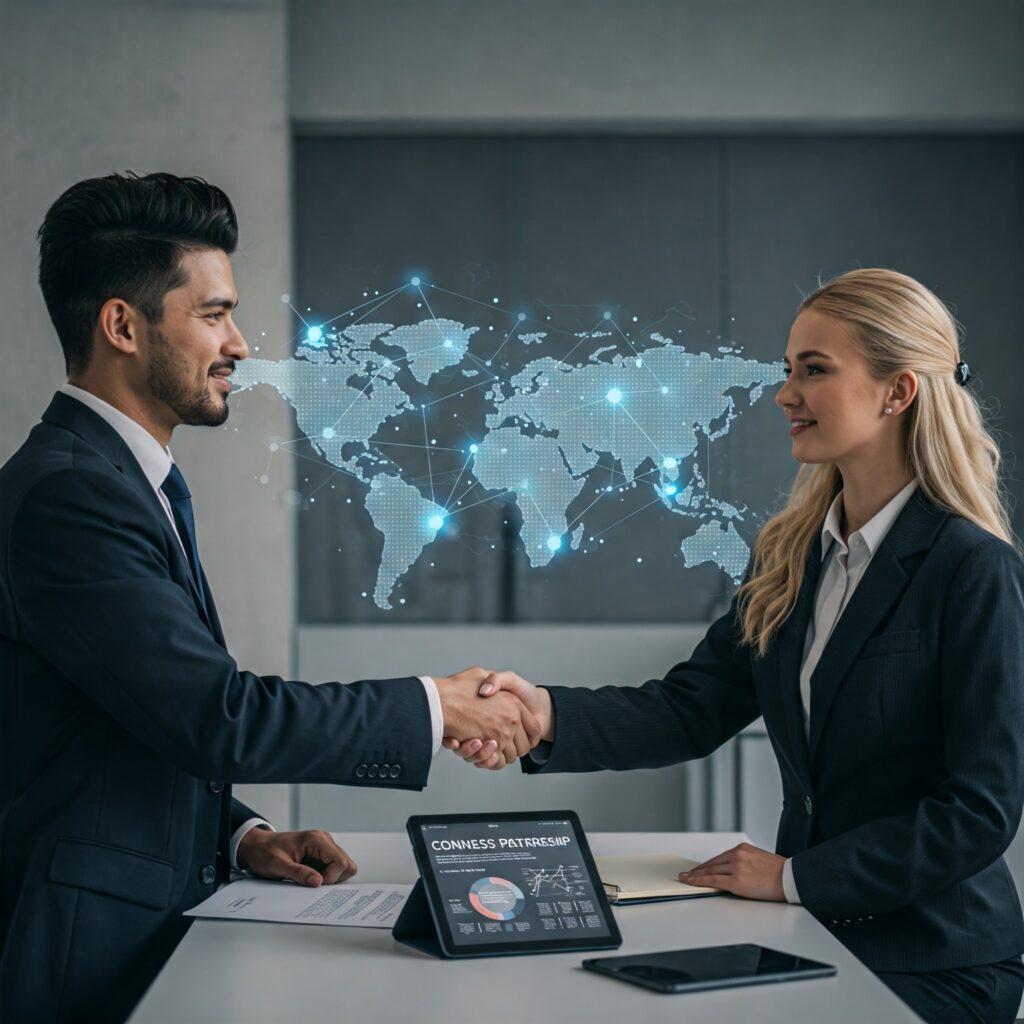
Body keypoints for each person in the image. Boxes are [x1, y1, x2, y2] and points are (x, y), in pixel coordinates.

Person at [0, 171, 538, 1024]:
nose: (241, 343)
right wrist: (436, 709)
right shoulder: (72, 497)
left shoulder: (122, 482)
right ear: (122, 326)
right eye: (213, 313)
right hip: (86, 953)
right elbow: (219, 717)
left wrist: (242, 837)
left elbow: (123, 720)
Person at [449, 268, 1024, 1024]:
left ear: (898, 391)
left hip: (938, 960)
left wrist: (794, 878)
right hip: (811, 937)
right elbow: (692, 708)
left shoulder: (972, 568)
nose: (785, 394)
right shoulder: (789, 554)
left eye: (814, 371)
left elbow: (979, 812)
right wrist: (542, 712)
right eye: (790, 370)